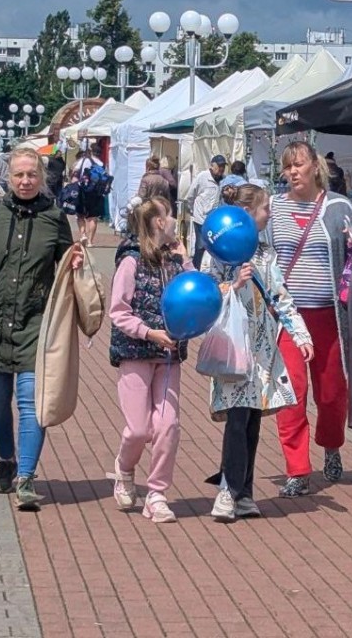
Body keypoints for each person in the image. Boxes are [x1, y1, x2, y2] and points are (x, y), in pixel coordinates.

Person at [0, 147, 83, 510]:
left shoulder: (54, 218)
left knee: (31, 403)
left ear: (41, 178)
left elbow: (68, 268)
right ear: (8, 176)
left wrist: (77, 264)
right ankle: (6, 460)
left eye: (32, 175)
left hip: (34, 324)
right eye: (19, 175)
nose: (25, 181)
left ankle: (25, 477)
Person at [205, 183, 311, 521]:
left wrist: (300, 334)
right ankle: (227, 490)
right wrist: (232, 284)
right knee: (236, 418)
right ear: (248, 214)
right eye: (266, 208)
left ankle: (244, 492)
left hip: (262, 350)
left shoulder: (266, 254)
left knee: (251, 419)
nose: (270, 214)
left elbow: (280, 296)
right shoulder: (219, 252)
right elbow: (206, 294)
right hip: (233, 345)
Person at [268, 141, 352, 497]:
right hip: (289, 319)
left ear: (315, 167)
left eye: (299, 164)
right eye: (287, 166)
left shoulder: (340, 208)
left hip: (329, 318)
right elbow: (260, 254)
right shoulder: (273, 208)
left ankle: (332, 445)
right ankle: (298, 470)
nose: (292, 172)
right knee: (292, 394)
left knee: (332, 394)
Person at [105, 196, 193, 524]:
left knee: (167, 425)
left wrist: (186, 261)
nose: (174, 223)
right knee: (138, 430)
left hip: (168, 356)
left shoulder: (174, 259)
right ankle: (124, 470)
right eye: (170, 217)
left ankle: (156, 493)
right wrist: (149, 333)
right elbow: (119, 312)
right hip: (135, 353)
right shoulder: (130, 261)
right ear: (159, 222)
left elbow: (194, 293)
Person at [186, 154, 227, 270]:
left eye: (223, 166)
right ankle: (195, 269)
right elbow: (190, 195)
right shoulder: (203, 177)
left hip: (214, 220)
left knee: (214, 245)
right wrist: (192, 210)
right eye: (219, 166)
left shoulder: (223, 180)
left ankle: (214, 270)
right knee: (200, 246)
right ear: (212, 165)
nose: (221, 168)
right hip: (200, 218)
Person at [73, 149, 106, 246]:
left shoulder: (83, 160)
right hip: (95, 192)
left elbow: (75, 171)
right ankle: (90, 241)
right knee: (93, 217)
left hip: (82, 190)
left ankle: (83, 235)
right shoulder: (100, 163)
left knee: (80, 215)